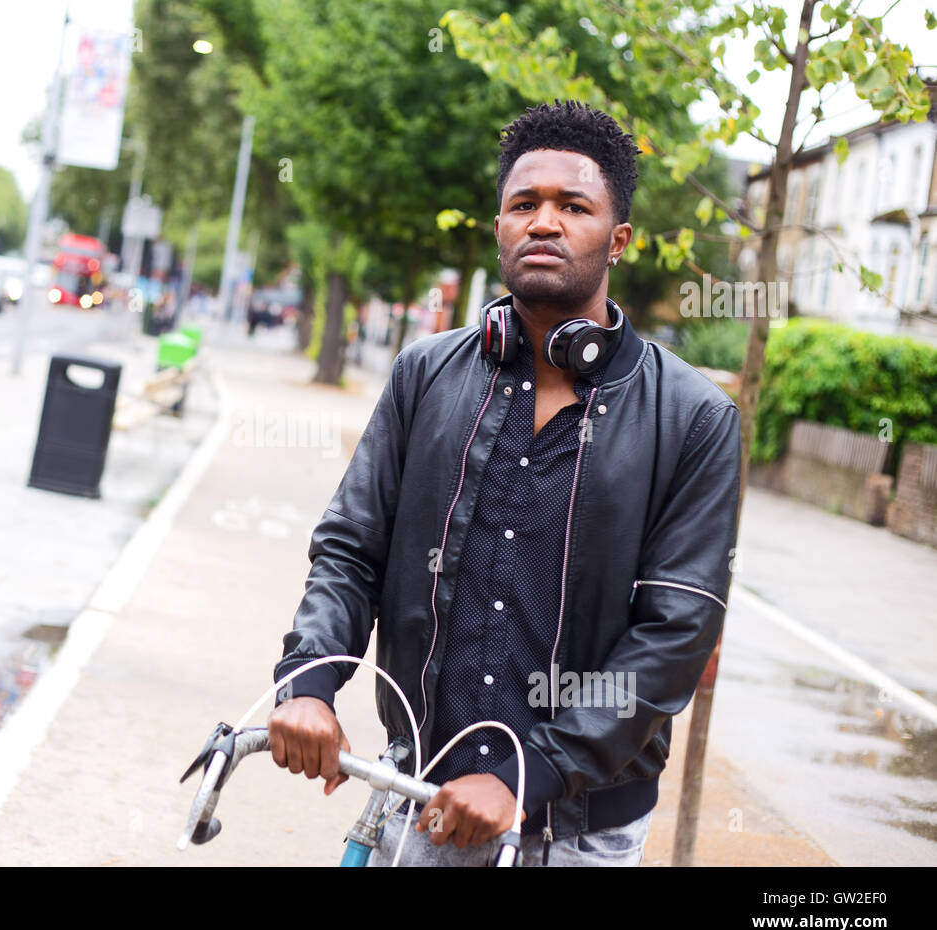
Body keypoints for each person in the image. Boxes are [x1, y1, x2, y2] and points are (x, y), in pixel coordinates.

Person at [266, 101, 741, 867]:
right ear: (499, 229)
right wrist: (311, 681)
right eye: (524, 205)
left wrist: (527, 773)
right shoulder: (426, 375)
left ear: (618, 239)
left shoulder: (694, 418)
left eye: (573, 206)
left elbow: (675, 634)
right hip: (417, 800)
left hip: (577, 837)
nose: (543, 222)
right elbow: (352, 550)